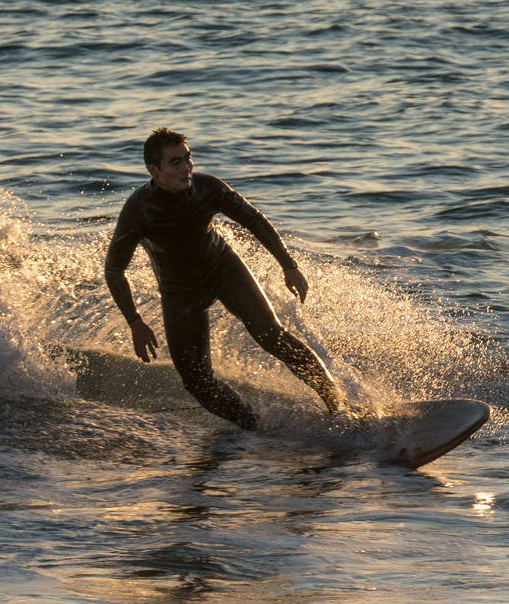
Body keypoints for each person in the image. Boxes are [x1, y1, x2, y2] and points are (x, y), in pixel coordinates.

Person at [104, 127, 347, 430]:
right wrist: (134, 321)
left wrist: (288, 265)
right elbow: (114, 269)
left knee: (272, 335)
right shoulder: (138, 210)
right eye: (176, 163)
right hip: (180, 293)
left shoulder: (208, 188)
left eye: (188, 158)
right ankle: (255, 427)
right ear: (154, 170)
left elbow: (253, 220)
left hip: (223, 268)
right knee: (196, 380)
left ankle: (340, 407)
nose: (187, 167)